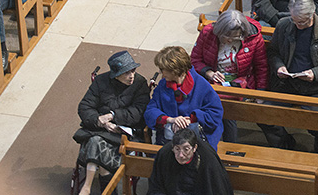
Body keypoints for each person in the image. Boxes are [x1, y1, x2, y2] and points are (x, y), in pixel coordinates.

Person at [264, 0, 318, 154]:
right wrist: (279, 67)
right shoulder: (284, 25)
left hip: (315, 87)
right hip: (287, 83)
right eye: (295, 20)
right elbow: (273, 52)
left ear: (312, 15)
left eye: (302, 22)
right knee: (264, 115)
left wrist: (315, 73)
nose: (298, 25)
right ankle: (285, 144)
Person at [74, 50, 150, 195]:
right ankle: (105, 190)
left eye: (133, 71)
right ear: (116, 75)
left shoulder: (140, 83)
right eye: (126, 73)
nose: (131, 76)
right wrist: (100, 122)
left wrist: (112, 116)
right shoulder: (101, 82)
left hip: (123, 133)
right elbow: (84, 107)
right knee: (96, 140)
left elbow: (138, 111)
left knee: (95, 141)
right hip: (101, 129)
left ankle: (87, 187)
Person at [190, 10, 267, 142]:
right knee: (217, 106)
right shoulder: (208, 33)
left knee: (223, 106)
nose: (230, 40)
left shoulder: (254, 38)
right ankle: (226, 147)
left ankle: (221, 146)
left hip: (240, 82)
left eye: (235, 37)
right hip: (211, 81)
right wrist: (210, 73)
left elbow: (261, 66)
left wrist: (260, 93)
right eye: (226, 36)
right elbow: (195, 60)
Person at [145, 45, 224, 148]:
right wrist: (169, 119)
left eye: (163, 69)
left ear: (175, 70)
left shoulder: (201, 85)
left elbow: (215, 114)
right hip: (169, 140)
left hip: (198, 141)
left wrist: (191, 120)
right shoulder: (163, 85)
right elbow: (150, 111)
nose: (161, 73)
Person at [148, 127, 233, 195]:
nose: (181, 155)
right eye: (177, 149)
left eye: (186, 149)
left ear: (194, 148)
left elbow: (217, 189)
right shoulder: (165, 154)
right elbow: (156, 187)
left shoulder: (208, 159)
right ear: (172, 147)